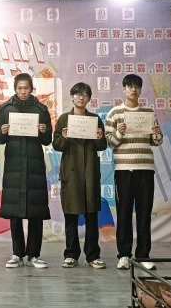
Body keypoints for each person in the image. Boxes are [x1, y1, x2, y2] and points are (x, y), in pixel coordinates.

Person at [105, 74, 163, 271]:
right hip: (124, 170)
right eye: (129, 86)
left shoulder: (148, 112)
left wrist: (157, 133)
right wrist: (119, 132)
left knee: (144, 214)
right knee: (124, 213)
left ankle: (143, 255)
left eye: (137, 86)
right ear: (123, 89)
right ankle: (124, 255)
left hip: (145, 169)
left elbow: (156, 141)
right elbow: (109, 142)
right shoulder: (114, 113)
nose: (133, 90)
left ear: (140, 89)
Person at [0, 73, 52, 269]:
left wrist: (44, 130)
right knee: (15, 212)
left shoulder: (41, 109)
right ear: (15, 89)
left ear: (31, 88)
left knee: (36, 212)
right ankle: (17, 254)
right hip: (14, 165)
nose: (23, 92)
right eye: (19, 88)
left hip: (35, 166)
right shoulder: (5, 109)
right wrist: (2, 131)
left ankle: (34, 255)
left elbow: (47, 140)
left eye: (26, 88)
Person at [52, 82, 107, 269]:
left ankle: (93, 255)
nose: (81, 97)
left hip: (90, 171)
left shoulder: (95, 119)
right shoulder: (63, 119)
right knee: (71, 216)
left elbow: (102, 146)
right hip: (71, 172)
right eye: (77, 94)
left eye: (85, 95)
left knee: (92, 216)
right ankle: (71, 254)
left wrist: (99, 137)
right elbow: (56, 145)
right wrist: (65, 137)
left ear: (89, 99)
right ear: (72, 97)